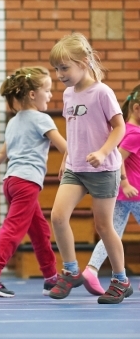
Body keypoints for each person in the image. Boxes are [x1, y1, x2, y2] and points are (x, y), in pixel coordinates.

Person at [0, 67, 68, 297]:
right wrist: (68, 161)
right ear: (32, 94)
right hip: (27, 182)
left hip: (11, 182)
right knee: (13, 229)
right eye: (47, 90)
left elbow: (3, 154)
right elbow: (65, 147)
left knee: (40, 230)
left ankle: (51, 278)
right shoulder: (42, 119)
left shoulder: (14, 121)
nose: (50, 95)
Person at [47, 33, 130, 304]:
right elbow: (74, 130)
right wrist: (66, 160)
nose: (60, 74)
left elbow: (119, 127)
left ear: (83, 63)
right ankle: (71, 271)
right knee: (58, 217)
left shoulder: (102, 92)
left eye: (64, 68)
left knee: (104, 226)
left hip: (103, 168)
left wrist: (104, 151)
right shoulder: (68, 94)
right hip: (76, 167)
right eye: (57, 69)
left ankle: (120, 279)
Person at [81, 84, 140, 291]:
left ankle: (92, 268)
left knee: (111, 232)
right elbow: (118, 158)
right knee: (111, 231)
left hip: (124, 195)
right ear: (136, 109)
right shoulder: (134, 133)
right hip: (134, 192)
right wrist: (125, 182)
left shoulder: (128, 130)